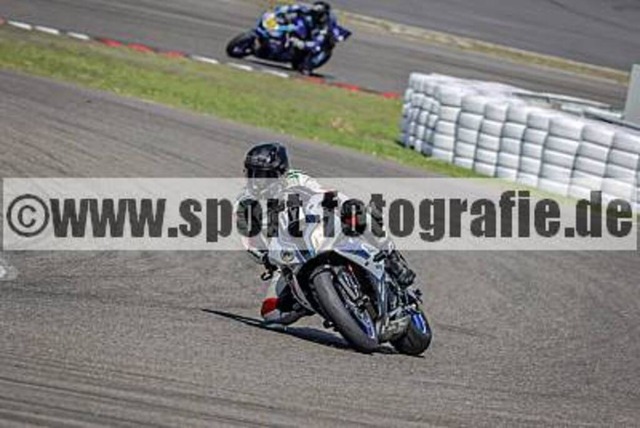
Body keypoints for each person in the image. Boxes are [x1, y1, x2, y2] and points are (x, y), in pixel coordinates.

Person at [238, 142, 416, 325]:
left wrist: (342, 205)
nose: (257, 183)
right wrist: (264, 256)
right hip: (287, 259)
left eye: (263, 176)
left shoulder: (297, 179)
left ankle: (392, 258)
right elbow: (249, 240)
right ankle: (313, 301)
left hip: (317, 230)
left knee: (356, 211)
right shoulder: (245, 203)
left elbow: (324, 195)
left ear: (280, 172)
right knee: (270, 313)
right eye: (252, 174)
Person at [259, 2, 334, 54]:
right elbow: (288, 8)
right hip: (293, 26)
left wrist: (302, 44)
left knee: (311, 50)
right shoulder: (304, 9)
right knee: (276, 21)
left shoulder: (323, 26)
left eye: (318, 14)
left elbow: (317, 42)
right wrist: (277, 13)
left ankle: (305, 64)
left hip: (303, 39)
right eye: (313, 12)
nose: (314, 15)